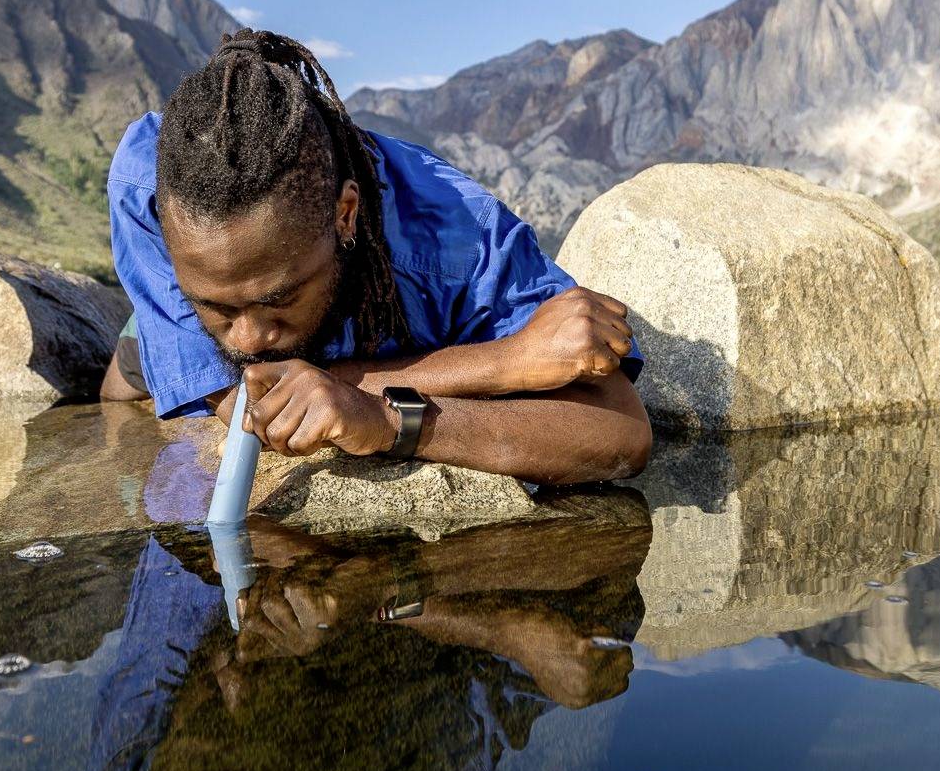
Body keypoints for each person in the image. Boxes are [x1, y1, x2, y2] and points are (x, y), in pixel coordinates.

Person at [101, 28, 651, 485]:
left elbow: (621, 433)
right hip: (157, 325)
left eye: (280, 298)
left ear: (346, 214)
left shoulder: (460, 239)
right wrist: (505, 361)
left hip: (375, 325)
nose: (246, 340)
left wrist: (387, 422)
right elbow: (249, 400)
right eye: (218, 306)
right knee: (119, 389)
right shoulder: (148, 186)